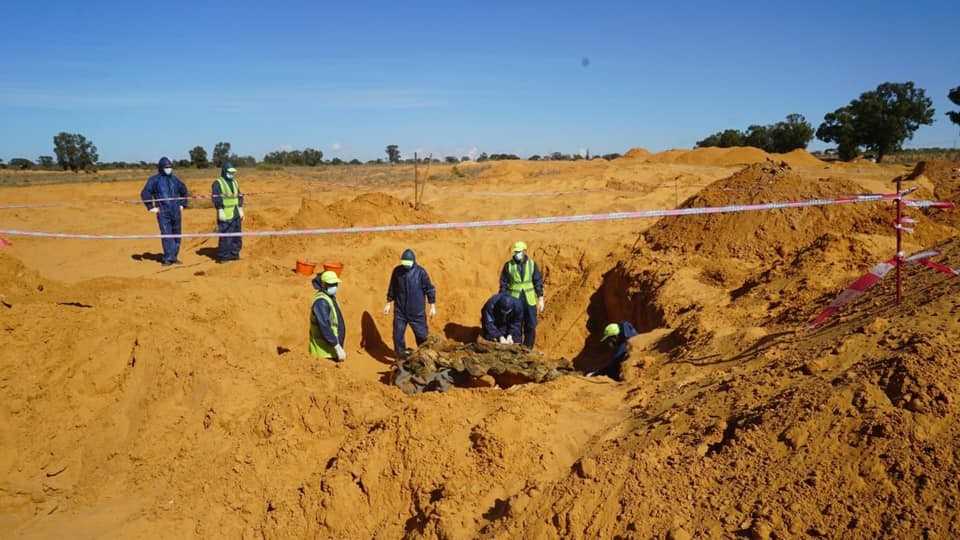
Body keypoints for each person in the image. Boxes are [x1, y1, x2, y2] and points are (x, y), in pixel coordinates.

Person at [383, 249, 437, 359]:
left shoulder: (420, 273)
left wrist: (432, 305)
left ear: (413, 262)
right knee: (398, 336)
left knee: (422, 336)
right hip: (400, 312)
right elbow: (392, 287)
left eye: (408, 264)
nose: (406, 267)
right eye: (404, 264)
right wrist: (388, 303)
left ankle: (425, 356)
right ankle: (401, 357)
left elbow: (429, 289)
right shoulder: (397, 271)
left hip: (417, 313)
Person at [140, 157, 189, 266]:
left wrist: (182, 204)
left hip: (176, 211)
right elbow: (145, 193)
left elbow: (184, 190)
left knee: (177, 234)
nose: (169, 169)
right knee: (167, 234)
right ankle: (168, 258)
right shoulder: (154, 180)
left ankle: (174, 257)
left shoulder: (175, 179)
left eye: (170, 167)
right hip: (163, 212)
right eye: (166, 167)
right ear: (161, 168)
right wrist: (151, 206)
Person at [499, 241, 544, 347]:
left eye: (519, 251)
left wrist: (540, 297)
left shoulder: (532, 264)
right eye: (516, 252)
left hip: (529, 300)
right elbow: (503, 283)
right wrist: (502, 298)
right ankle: (516, 348)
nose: (517, 254)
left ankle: (528, 348)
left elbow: (537, 281)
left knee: (531, 325)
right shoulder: (508, 265)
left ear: (524, 251)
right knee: (515, 324)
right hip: (514, 300)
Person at [309, 270, 347, 362]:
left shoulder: (329, 298)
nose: (334, 287)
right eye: (331, 284)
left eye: (335, 284)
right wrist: (336, 346)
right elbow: (324, 326)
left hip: (330, 351)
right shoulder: (321, 302)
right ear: (323, 285)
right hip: (323, 353)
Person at [211, 162, 244, 263]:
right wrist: (220, 209)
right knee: (226, 236)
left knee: (236, 236)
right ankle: (224, 257)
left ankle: (234, 254)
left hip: (235, 212)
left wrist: (240, 208)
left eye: (233, 172)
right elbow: (216, 197)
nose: (232, 174)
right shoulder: (218, 183)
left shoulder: (234, 182)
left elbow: (239, 195)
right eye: (230, 172)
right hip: (225, 213)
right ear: (225, 172)